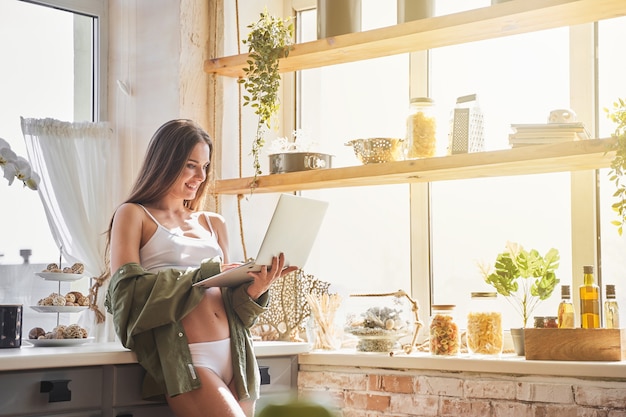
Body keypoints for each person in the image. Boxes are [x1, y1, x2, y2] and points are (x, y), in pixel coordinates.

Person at [104, 119, 297, 417]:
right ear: (165, 162)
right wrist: (206, 274)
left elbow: (234, 308)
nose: (200, 176)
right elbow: (126, 295)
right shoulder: (134, 215)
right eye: (191, 165)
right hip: (190, 358)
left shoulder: (214, 222)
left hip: (237, 354)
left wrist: (257, 288)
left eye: (205, 166)